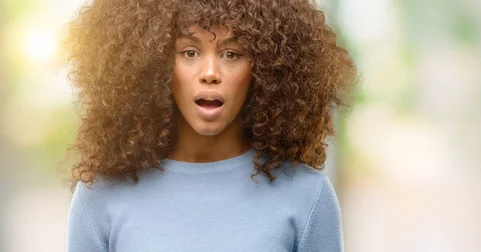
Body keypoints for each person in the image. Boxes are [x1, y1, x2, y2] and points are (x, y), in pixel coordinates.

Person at [63, 0, 356, 251]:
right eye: (189, 52)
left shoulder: (306, 195)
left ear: (266, 69)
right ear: (154, 64)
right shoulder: (101, 196)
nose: (210, 73)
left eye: (232, 54)